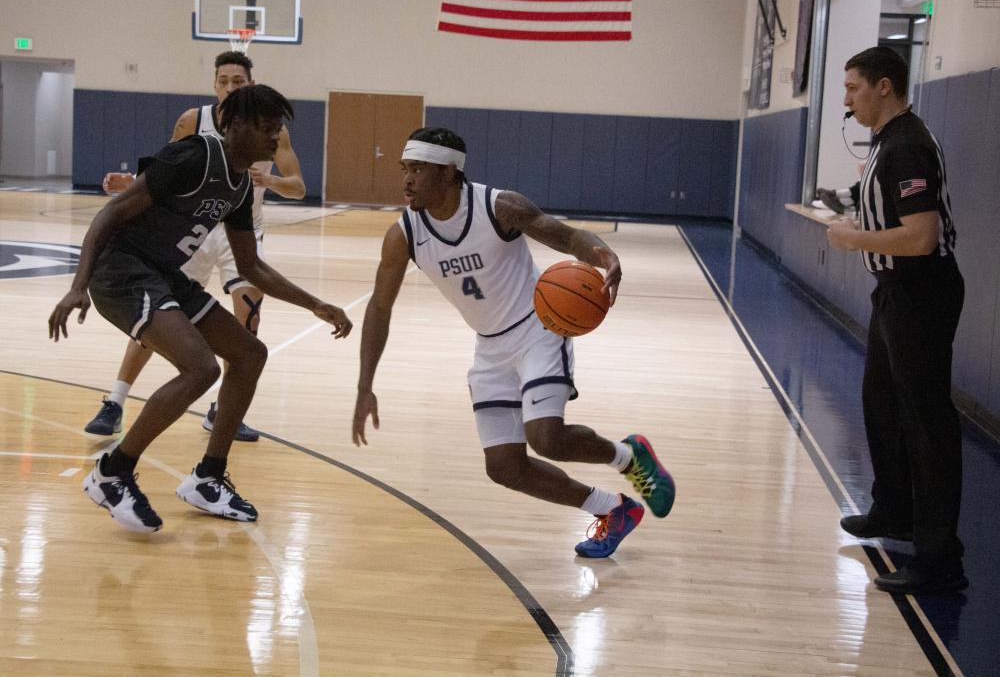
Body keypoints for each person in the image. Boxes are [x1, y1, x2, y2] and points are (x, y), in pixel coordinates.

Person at [351, 127, 674, 558]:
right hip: (490, 348)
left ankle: (628, 458)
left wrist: (602, 256)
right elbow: (379, 309)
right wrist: (364, 384)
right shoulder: (404, 234)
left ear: (448, 173)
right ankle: (613, 509)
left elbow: (565, 235)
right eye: (404, 169)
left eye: (418, 169)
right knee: (504, 468)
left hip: (539, 328)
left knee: (547, 438)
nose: (406, 179)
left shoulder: (498, 207)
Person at [49, 84, 353, 533]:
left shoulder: (241, 188)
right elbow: (110, 214)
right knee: (201, 368)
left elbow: (250, 265)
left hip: (163, 272)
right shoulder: (194, 155)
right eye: (268, 130)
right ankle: (113, 471)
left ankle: (208, 477)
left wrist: (315, 304)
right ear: (235, 125)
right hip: (121, 271)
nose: (275, 141)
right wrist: (78, 285)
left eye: (279, 131)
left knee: (251, 354)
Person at [84, 51, 305, 442]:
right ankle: (116, 399)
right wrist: (129, 181)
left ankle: (223, 411)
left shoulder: (272, 130)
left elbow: (298, 187)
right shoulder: (193, 122)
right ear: (214, 84)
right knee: (158, 312)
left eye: (238, 81)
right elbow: (165, 170)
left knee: (248, 315)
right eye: (223, 80)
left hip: (239, 228)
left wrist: (264, 181)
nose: (230, 87)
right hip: (191, 229)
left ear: (249, 84)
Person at [827, 46, 965, 594]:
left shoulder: (906, 144)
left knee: (926, 422)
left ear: (885, 87)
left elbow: (921, 236)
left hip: (921, 294)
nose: (846, 99)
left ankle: (940, 559)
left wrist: (851, 237)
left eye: (854, 88)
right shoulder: (889, 140)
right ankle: (895, 510)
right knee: (881, 403)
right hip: (893, 292)